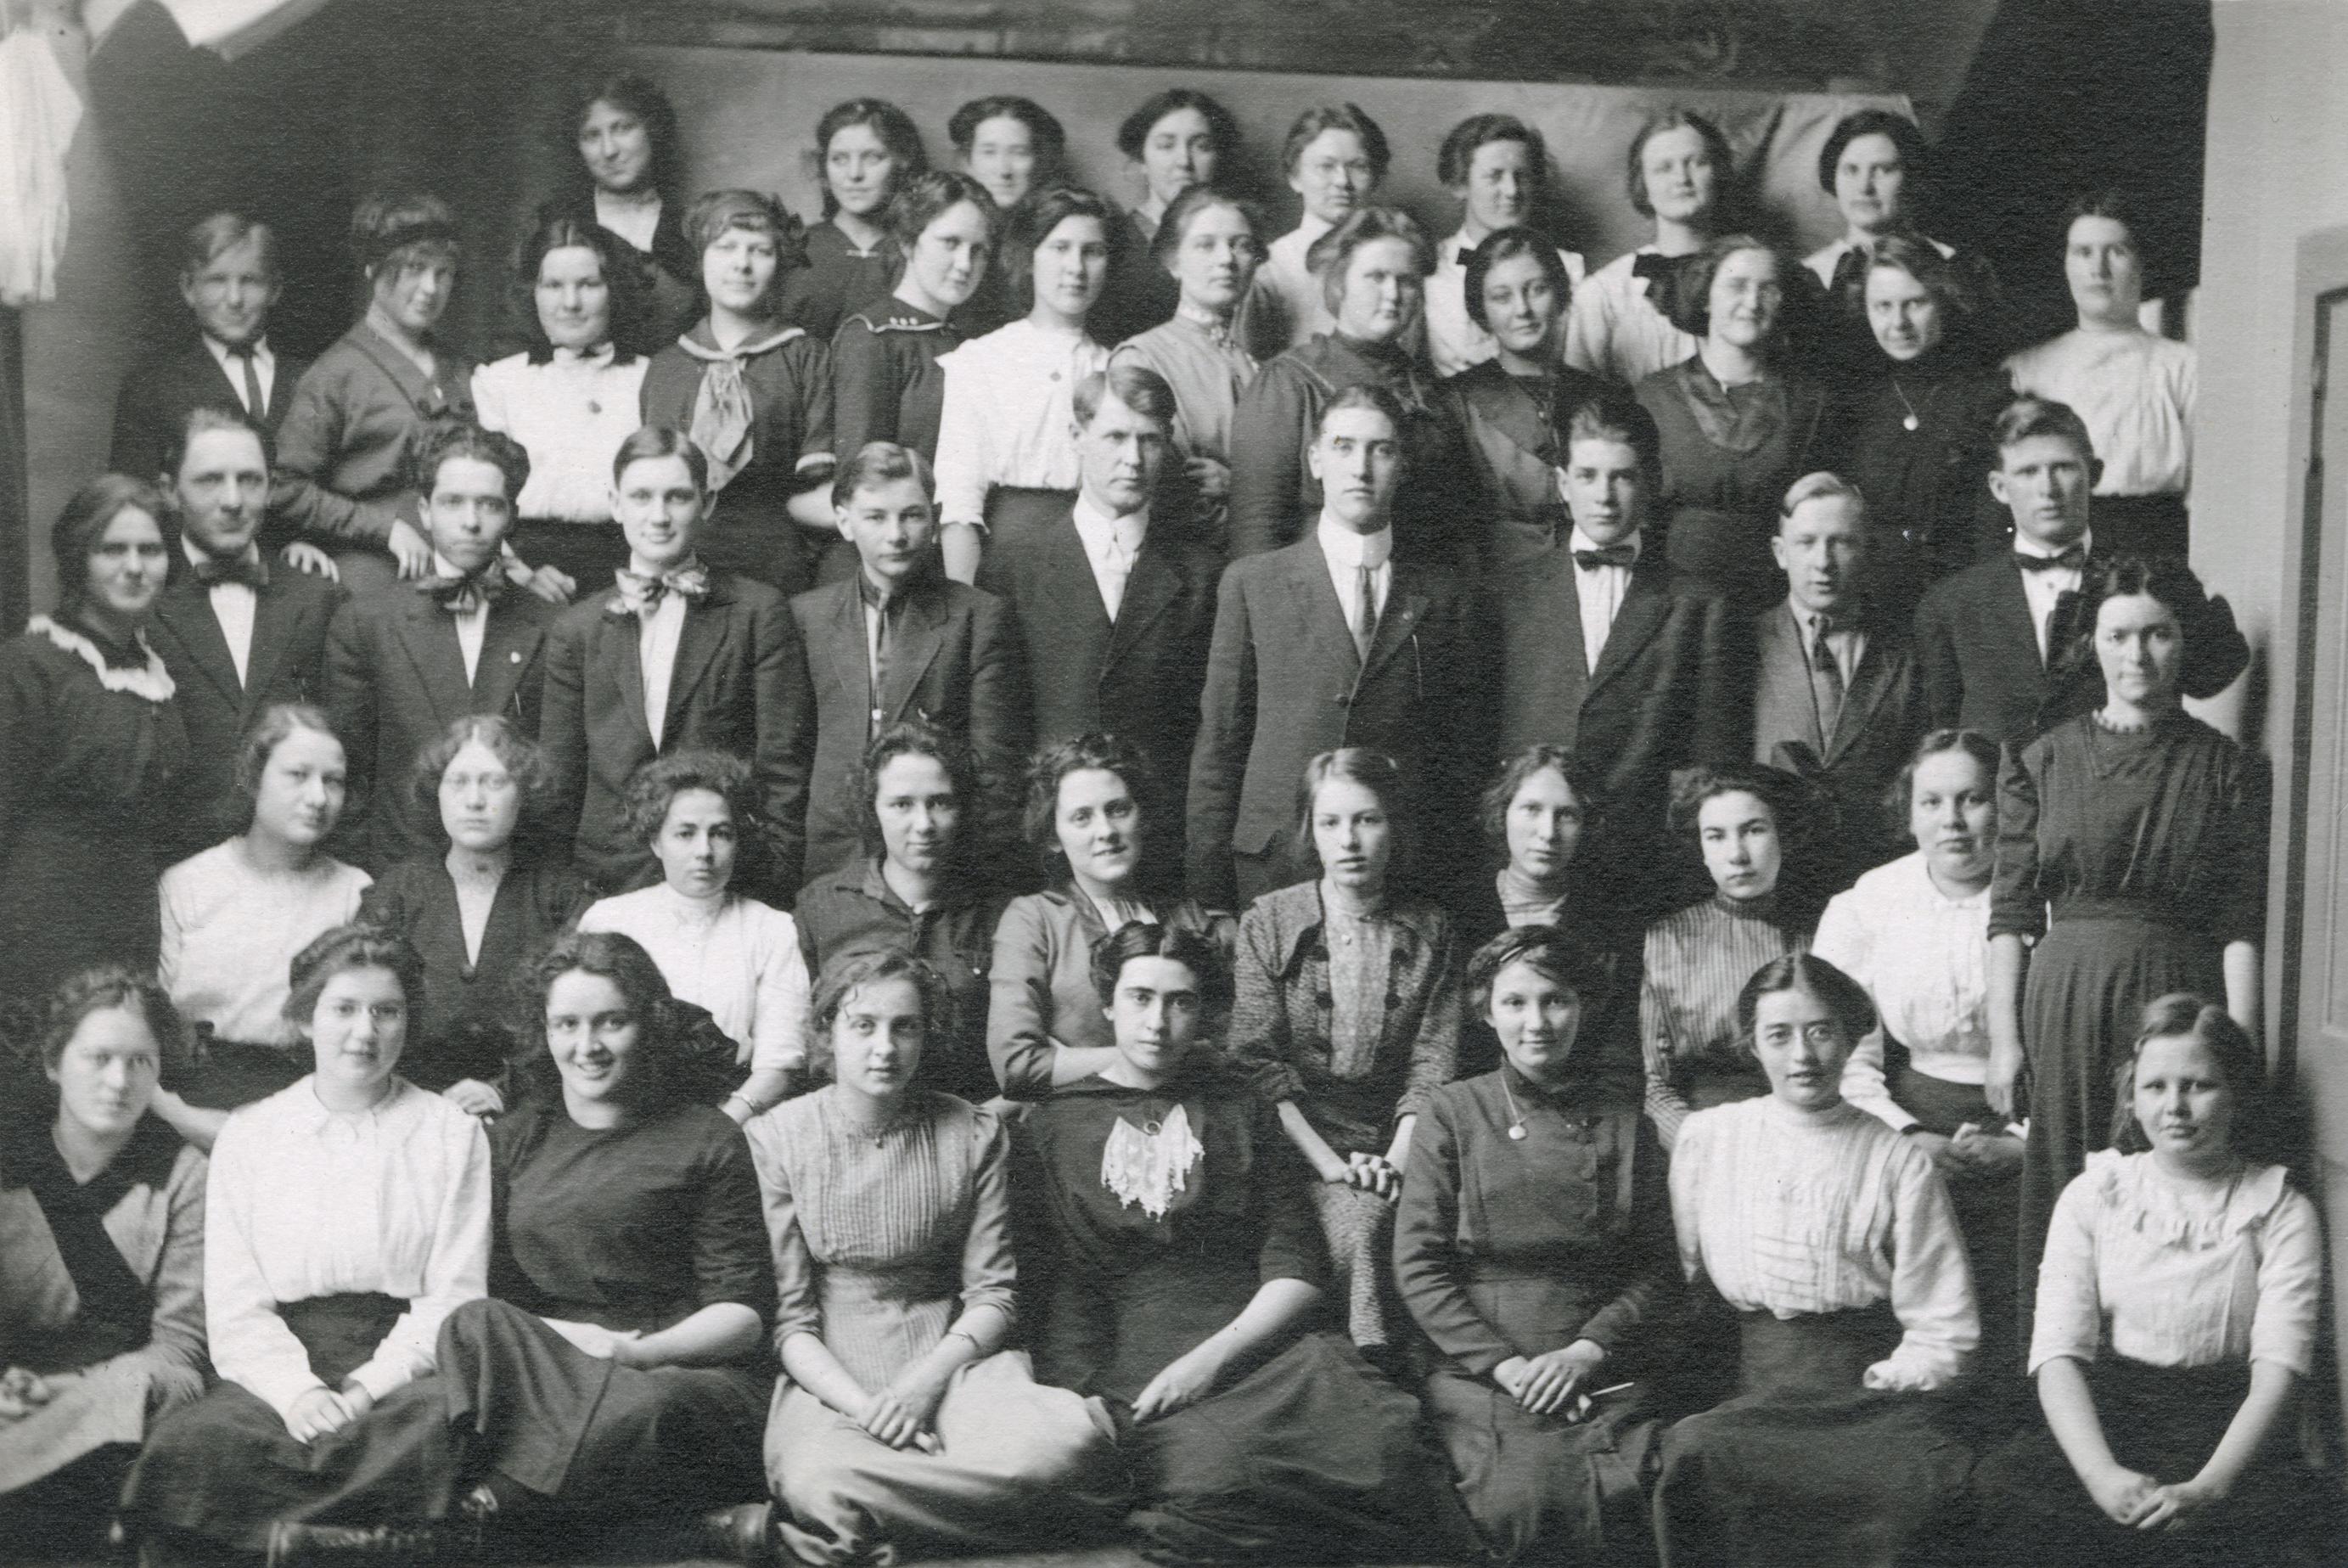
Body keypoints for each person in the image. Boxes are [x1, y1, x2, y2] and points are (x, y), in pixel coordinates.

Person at [1014, 922, 1480, 1566]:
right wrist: (1080, 1395)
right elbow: (1054, 1286)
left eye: (1180, 1001)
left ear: (1204, 1012)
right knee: (1215, 1489)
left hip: (1263, 1340)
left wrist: (1208, 1364)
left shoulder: (1241, 1105)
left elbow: (1297, 1262)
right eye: (1141, 997)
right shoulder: (1051, 1125)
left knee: (1386, 1450)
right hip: (1133, 1360)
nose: (1158, 1022)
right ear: (1109, 1004)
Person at [394, 930, 778, 1562]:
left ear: (649, 1024)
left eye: (611, 1022)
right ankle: (685, 1532)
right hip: (546, 1363)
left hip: (672, 1368)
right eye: (566, 1024)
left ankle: (470, 1527)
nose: (587, 1046)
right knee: (466, 1329)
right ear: (543, 1031)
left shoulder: (707, 1137)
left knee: (638, 1412)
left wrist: (633, 1351)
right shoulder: (514, 1137)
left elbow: (743, 1317)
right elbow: (488, 1310)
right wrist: (558, 1347)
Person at [121, 926, 491, 1562]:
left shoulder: (452, 1134)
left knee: (438, 1435)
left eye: (386, 1011)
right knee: (194, 1444)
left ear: (408, 1022)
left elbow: (455, 1296)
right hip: (277, 1362)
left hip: (410, 1366)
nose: (364, 1031)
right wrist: (297, 1392)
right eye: (343, 1008)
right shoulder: (252, 1135)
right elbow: (237, 1305)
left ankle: (317, 1547)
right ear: (303, 1018)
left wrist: (367, 1387)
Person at [752, 947, 1124, 1564]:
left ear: (926, 1036)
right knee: (822, 1480)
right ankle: (958, 1509)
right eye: (863, 1025)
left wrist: (922, 1386)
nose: (885, 1047)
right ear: (827, 1031)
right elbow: (791, 1323)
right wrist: (871, 1411)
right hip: (833, 1376)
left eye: (905, 1027)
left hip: (955, 1358)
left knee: (1066, 1448)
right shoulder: (777, 1138)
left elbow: (993, 1295)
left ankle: (866, 1534)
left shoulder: (973, 1131)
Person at [1989, 556, 2267, 1338]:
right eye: (2118, 636)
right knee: (2069, 1185)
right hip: (2067, 995)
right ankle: (2060, 1376)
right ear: (2092, 644)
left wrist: (2239, 1047)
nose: (2137, 655)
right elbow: (2010, 915)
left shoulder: (2228, 768)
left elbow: (2240, 923)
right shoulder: (2042, 758)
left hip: (2178, 991)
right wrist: (2004, 1041)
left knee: (2168, 1178)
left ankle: (2154, 1372)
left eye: (2157, 634)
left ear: (2185, 641)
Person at [1973, 996, 2332, 1567]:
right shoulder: (2094, 1195)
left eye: (2199, 1085)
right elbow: (2058, 1354)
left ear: (2237, 1093)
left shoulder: (2281, 1210)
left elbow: (2278, 1371)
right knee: (2003, 1501)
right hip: (2112, 1423)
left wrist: (2208, 1487)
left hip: (2229, 1435)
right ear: (2131, 1097)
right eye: (2156, 1087)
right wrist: (2101, 1475)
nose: (2175, 1107)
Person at [1654, 954, 1979, 1568]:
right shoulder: (1710, 1138)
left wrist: (1886, 1383)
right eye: (1779, 1035)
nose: (1802, 1054)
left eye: (1821, 1031)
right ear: (1752, 1044)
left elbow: (1945, 1327)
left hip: (1864, 1395)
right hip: (1747, 1388)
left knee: (1917, 1481)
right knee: (1698, 1451)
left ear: (1852, 1039)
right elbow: (1685, 1280)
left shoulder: (1898, 1159)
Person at [1393, 928, 1674, 1565]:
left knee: (1643, 1488)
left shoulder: (1626, 1118)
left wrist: (1585, 1351)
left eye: (1556, 1001)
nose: (1537, 1023)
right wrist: (1508, 1368)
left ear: (1583, 1008)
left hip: (1601, 1359)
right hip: (1480, 1366)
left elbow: (1658, 1268)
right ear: (1486, 1012)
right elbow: (1418, 1265)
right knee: (1516, 1501)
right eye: (1515, 1003)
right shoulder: (1454, 1110)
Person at [1188, 385, 1485, 912]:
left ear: (1403, 465)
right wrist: (1211, 895)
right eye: (1343, 447)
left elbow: (1459, 757)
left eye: (1381, 449)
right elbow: (1220, 746)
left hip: (1399, 873)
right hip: (1274, 864)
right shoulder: (1254, 583)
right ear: (1315, 460)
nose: (1361, 468)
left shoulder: (1446, 595)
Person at [1229, 747, 1460, 1354]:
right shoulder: (1269, 921)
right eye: (1330, 822)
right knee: (1360, 1225)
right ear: (1310, 830)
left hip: (1402, 1144)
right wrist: (1331, 1165)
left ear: (1394, 826)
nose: (1349, 840)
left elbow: (1433, 1061)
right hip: (1292, 1146)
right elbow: (1255, 1059)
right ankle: (1366, 1366)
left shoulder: (1432, 928)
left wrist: (1394, 1162)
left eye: (1367, 820)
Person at [1813, 728, 2026, 1376]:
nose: (1952, 821)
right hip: (1906, 1118)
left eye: (1972, 799)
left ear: (2004, 807)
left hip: (2030, 1124)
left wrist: (2024, 1141)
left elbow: (2077, 1046)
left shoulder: (2044, 895)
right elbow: (1843, 1053)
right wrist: (1907, 1136)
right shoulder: (1873, 900)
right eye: (1932, 802)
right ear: (1909, 813)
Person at [539, 425, 811, 901]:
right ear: (615, 504)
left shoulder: (757, 613)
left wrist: (766, 881)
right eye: (641, 497)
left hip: (726, 874)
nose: (659, 516)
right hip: (608, 879)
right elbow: (560, 780)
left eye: (678, 497)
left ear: (707, 503)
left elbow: (782, 766)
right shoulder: (577, 628)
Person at [0, 969, 207, 1552]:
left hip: (118, 1392)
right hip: (10, 1386)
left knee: (144, 1383)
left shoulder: (184, 1175)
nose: (119, 1081)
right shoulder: (10, 1162)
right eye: (99, 1058)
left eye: (140, 1061)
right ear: (53, 1063)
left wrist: (67, 1387)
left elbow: (180, 1345)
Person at [1492, 391, 1736, 872]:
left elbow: (1710, 758)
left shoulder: (1699, 605)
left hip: (1642, 854)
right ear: (1563, 484)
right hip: (1528, 853)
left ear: (1652, 483)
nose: (1604, 497)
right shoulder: (1507, 594)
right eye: (1587, 476)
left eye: (1622, 476)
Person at [975, 365, 1220, 808]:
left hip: (1158, 819)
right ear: (1077, 436)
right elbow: (996, 723)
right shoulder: (1012, 566)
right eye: (1115, 437)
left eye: (1149, 440)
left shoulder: (1203, 574)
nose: (1133, 459)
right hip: (1047, 819)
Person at [324, 420, 559, 870]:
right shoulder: (365, 623)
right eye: (453, 503)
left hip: (516, 873)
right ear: (425, 511)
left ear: (512, 515)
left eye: (489, 504)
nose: (471, 522)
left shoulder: (553, 627)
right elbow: (349, 770)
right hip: (401, 869)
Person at [791, 441, 1026, 882]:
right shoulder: (807, 618)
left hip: (941, 857)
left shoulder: (978, 618)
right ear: (844, 521)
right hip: (833, 857)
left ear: (935, 519)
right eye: (876, 517)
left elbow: (994, 769)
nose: (896, 535)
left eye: (912, 515)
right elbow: (790, 759)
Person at [0, 476, 188, 1003]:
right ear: (78, 559)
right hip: (42, 921)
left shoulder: (156, 673)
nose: (134, 566)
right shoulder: (29, 665)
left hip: (131, 916)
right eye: (112, 549)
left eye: (150, 550)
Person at [157, 704, 374, 1135]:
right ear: (254, 778)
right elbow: (147, 1025)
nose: (318, 798)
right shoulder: (187, 884)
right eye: (297, 775)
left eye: (333, 781)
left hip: (307, 1113)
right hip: (189, 1105)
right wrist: (185, 1121)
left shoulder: (354, 893)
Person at [144, 406, 344, 869]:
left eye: (250, 480)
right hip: (172, 865)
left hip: (299, 865)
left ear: (272, 488)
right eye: (210, 480)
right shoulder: (140, 603)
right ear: (169, 491)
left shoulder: (319, 599)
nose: (233, 500)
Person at [357, 716, 590, 1102]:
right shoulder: (398, 893)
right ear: (437, 792)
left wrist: (504, 1091)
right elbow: (364, 1010)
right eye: (458, 782)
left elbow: (584, 1017)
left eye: (494, 782)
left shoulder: (560, 896)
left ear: (523, 793)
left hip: (533, 1103)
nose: (475, 800)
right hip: (408, 1100)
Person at [579, 750, 812, 1123]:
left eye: (720, 834)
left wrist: (720, 1128)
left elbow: (780, 1062)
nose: (704, 851)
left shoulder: (770, 929)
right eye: (685, 834)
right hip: (624, 1120)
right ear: (656, 841)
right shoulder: (609, 921)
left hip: (732, 1123)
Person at [987, 733, 1222, 1100]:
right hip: (1077, 1119)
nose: (1106, 832)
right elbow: (1018, 1067)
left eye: (1118, 810)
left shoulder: (1187, 917)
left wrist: (1070, 1060)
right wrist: (1154, 1057)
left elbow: (1227, 1047)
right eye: (1082, 817)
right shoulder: (1034, 920)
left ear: (1142, 816)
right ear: (1054, 835)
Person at [1227, 205, 1461, 560]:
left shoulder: (1428, 389)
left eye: (1407, 280)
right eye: (1376, 277)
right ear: (1339, 284)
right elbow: (1256, 531)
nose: (1393, 294)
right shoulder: (1288, 383)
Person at [272, 192, 475, 598]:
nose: (430, 288)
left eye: (443, 273)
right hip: (375, 573)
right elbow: (284, 487)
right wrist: (385, 528)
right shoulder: (335, 373)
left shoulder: (459, 368)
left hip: (462, 568)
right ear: (373, 268)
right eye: (414, 269)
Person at [793, 722, 1005, 1104]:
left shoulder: (1002, 913)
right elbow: (798, 1044)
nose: (924, 825)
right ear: (873, 809)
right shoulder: (822, 906)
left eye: (940, 803)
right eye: (902, 804)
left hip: (973, 1117)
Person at [641, 190, 837, 599]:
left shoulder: (807, 358)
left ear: (780, 262)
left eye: (760, 251)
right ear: (700, 259)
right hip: (684, 555)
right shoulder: (667, 366)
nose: (741, 264)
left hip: (779, 558)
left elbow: (820, 483)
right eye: (725, 247)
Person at [931, 183, 1116, 583]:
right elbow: (959, 501)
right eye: (1059, 248)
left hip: (1097, 556)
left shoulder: (1117, 366)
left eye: (1093, 251)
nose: (1076, 267)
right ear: (1029, 257)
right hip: (1005, 557)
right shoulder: (982, 360)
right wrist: (968, 607)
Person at [1636, 233, 1832, 606]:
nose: (1752, 302)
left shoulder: (1810, 401)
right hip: (1671, 596)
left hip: (1774, 596)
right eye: (1736, 286)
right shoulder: (1654, 397)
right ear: (1705, 297)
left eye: (1768, 289)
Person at [1748, 473, 1924, 878]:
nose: (1823, 562)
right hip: (1772, 871)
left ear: (1869, 550)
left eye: (1841, 542)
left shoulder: (1908, 648)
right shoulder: (1741, 643)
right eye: (1806, 543)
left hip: (1876, 868)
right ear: (1780, 552)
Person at [2004, 190, 2195, 559]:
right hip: (2051, 547)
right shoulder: (2024, 369)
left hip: (2153, 545)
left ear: (2141, 262)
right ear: (2065, 263)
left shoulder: (2183, 367)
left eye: (2117, 251)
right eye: (2083, 252)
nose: (2099, 269)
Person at [471, 214, 650, 594]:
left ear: (614, 290)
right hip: (526, 569)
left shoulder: (651, 379)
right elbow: (480, 497)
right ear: (532, 293)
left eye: (588, 285)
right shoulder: (498, 382)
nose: (570, 303)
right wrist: (520, 574)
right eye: (553, 285)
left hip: (631, 565)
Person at [1639, 762, 1813, 1150]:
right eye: (1716, 836)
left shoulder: (1825, 933)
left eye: (1754, 830)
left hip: (1816, 1132)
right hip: (1706, 1137)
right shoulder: (1665, 942)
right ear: (1701, 848)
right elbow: (1651, 1082)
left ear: (1783, 835)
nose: (1737, 854)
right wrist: (1701, 1146)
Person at [1837, 234, 2009, 612]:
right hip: (1867, 602)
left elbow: (1995, 530)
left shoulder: (1986, 398)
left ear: (1944, 301)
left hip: (1960, 599)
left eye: (1914, 303)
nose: (1898, 323)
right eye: (1883, 306)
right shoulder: (1854, 400)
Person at [1452, 749, 1638, 1080]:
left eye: (1566, 815)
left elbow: (1619, 1046)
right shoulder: (1458, 914)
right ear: (1503, 814)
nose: (1548, 832)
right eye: (1531, 809)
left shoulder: (1612, 921)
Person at [1441, 226, 1616, 566]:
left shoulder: (1602, 397)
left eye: (1537, 290)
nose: (1522, 309)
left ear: (1560, 295)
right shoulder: (1456, 401)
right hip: (1497, 576)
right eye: (1502, 297)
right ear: (1481, 310)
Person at [1108, 184, 1266, 548]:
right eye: (1205, 245)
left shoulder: (1257, 366)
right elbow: (1174, 495)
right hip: (1188, 561)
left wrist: (1237, 486)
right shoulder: (1143, 357)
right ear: (1173, 261)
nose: (1226, 259)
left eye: (1241, 245)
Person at [110, 212, 308, 487]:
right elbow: (133, 498)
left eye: (250, 280)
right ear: (189, 288)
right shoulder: (151, 388)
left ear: (274, 289)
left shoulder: (314, 378)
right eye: (217, 280)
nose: (234, 299)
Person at [1802, 109, 2001, 374]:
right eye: (1851, 170)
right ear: (1832, 176)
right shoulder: (1806, 274)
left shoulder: (1960, 266)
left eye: (1883, 170)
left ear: (1912, 177)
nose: (1864, 187)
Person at [829, 171, 993, 465]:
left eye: (978, 249)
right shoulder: (874, 338)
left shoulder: (971, 341)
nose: (965, 264)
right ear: (907, 242)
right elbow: (860, 474)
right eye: (950, 242)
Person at [1564, 109, 1729, 386]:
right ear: (1643, 185)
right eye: (1664, 168)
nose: (1682, 179)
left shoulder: (1755, 277)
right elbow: (1579, 393)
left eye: (1696, 163)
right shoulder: (1604, 293)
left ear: (1719, 172)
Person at [538, 72, 700, 354]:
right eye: (591, 136)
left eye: (623, 128)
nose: (609, 150)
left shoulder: (691, 228)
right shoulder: (552, 225)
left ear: (652, 130)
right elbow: (518, 339)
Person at [1425, 115, 1587, 379]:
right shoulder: (1429, 268)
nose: (1512, 191)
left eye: (1521, 176)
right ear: (1459, 185)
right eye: (1494, 176)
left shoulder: (1570, 268)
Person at [1107, 87, 1243, 351]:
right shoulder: (1114, 241)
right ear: (1141, 159)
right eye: (1166, 146)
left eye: (1201, 146)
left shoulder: (1239, 246)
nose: (1184, 161)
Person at [781, 99, 927, 344]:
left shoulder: (919, 251)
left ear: (901, 163)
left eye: (872, 158)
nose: (854, 174)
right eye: (839, 159)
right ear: (824, 166)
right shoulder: (795, 246)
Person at [1252, 103, 1390, 354]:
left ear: (1376, 178)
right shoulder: (1271, 267)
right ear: (1295, 177)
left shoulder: (1395, 260)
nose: (1342, 181)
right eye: (1326, 167)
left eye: (1358, 167)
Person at [944, 95, 1062, 337]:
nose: (1004, 170)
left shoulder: (1058, 239)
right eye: (989, 152)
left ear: (1038, 161)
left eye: (1020, 153)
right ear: (966, 161)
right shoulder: (939, 233)